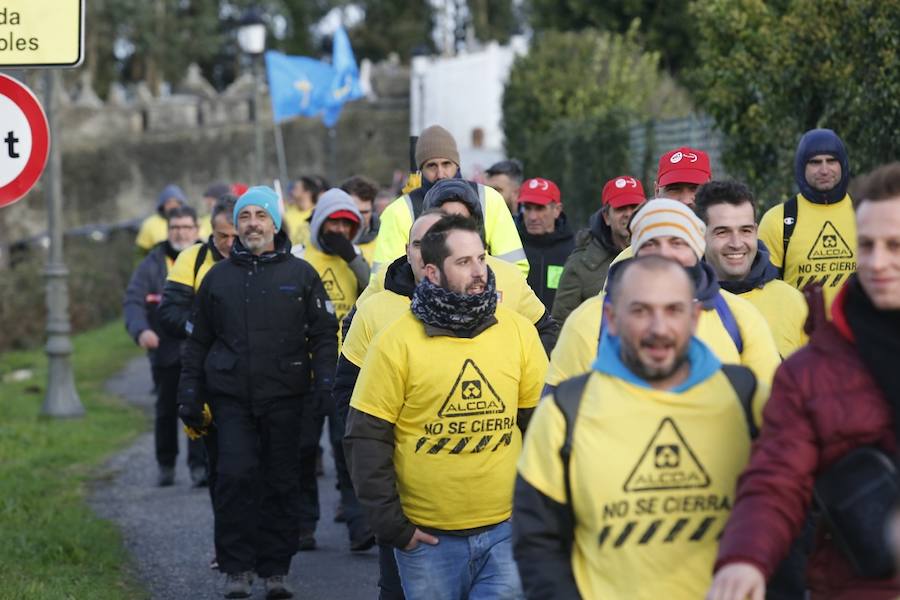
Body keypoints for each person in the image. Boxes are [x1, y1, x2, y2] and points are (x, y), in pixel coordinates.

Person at [336, 202, 556, 600]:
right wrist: (393, 528)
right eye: (463, 262)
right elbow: (366, 438)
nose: (478, 272)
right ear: (432, 272)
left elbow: (543, 428)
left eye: (481, 259)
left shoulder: (519, 333)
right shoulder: (395, 342)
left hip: (506, 533)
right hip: (426, 542)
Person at [514, 255, 767, 599]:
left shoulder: (746, 399)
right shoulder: (564, 413)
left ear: (694, 318)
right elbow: (537, 544)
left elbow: (784, 517)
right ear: (612, 319)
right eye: (641, 311)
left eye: (673, 310)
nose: (659, 328)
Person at [708, 161, 900, 600]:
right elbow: (775, 480)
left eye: (895, 245)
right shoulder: (809, 373)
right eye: (867, 245)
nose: (878, 262)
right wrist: (745, 557)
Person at [178, 186, 337, 600]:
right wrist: (190, 395)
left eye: (260, 216)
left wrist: (324, 384)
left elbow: (323, 335)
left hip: (287, 398)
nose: (251, 223)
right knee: (234, 478)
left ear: (274, 222)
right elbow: (197, 343)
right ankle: (236, 568)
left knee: (281, 482)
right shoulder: (217, 278)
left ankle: (275, 570)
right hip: (231, 400)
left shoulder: (301, 275)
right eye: (244, 216)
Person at [546, 199, 780, 392]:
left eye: (677, 243)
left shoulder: (740, 318)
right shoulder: (590, 320)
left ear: (697, 251)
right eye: (651, 244)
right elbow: (558, 412)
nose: (664, 254)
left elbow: (771, 413)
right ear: (635, 253)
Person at [159, 194, 237, 570]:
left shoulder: (268, 259)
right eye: (222, 236)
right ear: (211, 230)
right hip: (209, 377)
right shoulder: (193, 259)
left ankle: (271, 552)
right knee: (221, 471)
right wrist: (200, 329)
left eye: (235, 236)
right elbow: (168, 310)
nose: (230, 244)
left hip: (262, 382)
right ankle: (227, 551)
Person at [291, 187, 370, 551]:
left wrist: (353, 257)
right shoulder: (300, 257)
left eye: (347, 223)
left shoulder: (357, 258)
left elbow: (376, 293)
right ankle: (303, 525)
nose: (339, 229)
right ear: (321, 221)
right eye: (333, 221)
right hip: (305, 372)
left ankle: (359, 525)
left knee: (347, 450)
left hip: (347, 370)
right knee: (304, 450)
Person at [371, 124, 528, 280]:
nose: (440, 174)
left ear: (457, 164)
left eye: (446, 164)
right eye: (431, 166)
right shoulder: (398, 211)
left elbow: (515, 269)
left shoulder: (489, 199)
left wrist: (481, 294)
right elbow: (382, 279)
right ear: (421, 169)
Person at [124, 205, 206, 487]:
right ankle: (166, 464)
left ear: (196, 230)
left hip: (201, 350)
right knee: (166, 410)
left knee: (200, 406)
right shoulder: (151, 264)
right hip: (165, 351)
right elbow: (133, 301)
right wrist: (141, 330)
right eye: (175, 228)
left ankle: (200, 467)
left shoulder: (209, 259)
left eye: (186, 227)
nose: (180, 233)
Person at [696, 180, 808, 357]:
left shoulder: (795, 303)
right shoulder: (683, 307)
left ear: (756, 231)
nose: (736, 243)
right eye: (722, 232)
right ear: (700, 235)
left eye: (745, 231)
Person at [758, 128, 856, 314]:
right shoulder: (777, 220)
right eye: (815, 162)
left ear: (842, 164)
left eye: (831, 161)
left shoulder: (865, 214)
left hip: (858, 336)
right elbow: (764, 293)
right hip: (800, 337)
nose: (824, 170)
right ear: (801, 166)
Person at [552, 175, 643, 324]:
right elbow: (561, 323)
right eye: (621, 208)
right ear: (606, 216)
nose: (628, 213)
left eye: (634, 207)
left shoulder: (658, 254)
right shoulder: (580, 264)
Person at [515, 177, 575, 311]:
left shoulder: (574, 249)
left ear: (557, 210)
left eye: (540, 208)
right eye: (527, 208)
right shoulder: (510, 243)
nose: (532, 217)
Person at [341, 175, 381, 265]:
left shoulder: (385, 239)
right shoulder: (327, 241)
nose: (359, 217)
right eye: (354, 211)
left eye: (365, 212)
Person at [135, 184, 187, 253]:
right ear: (162, 205)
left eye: (177, 202)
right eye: (169, 202)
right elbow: (141, 252)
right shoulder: (150, 224)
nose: (173, 205)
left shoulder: (191, 221)